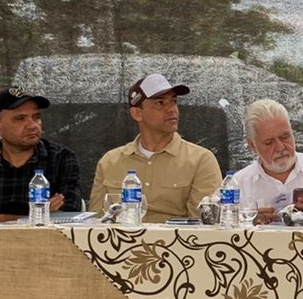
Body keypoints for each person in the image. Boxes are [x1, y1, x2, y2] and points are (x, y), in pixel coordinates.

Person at [89, 74, 223, 223]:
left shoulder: (201, 160)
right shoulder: (110, 162)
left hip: (178, 238)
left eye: (174, 102)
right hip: (121, 237)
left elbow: (205, 224)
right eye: (160, 103)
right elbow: (95, 222)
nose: (171, 109)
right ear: (137, 113)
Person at [0, 88, 84, 220]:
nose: (32, 125)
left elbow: (69, 211)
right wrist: (39, 214)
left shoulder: (62, 158)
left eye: (36, 117)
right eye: (20, 119)